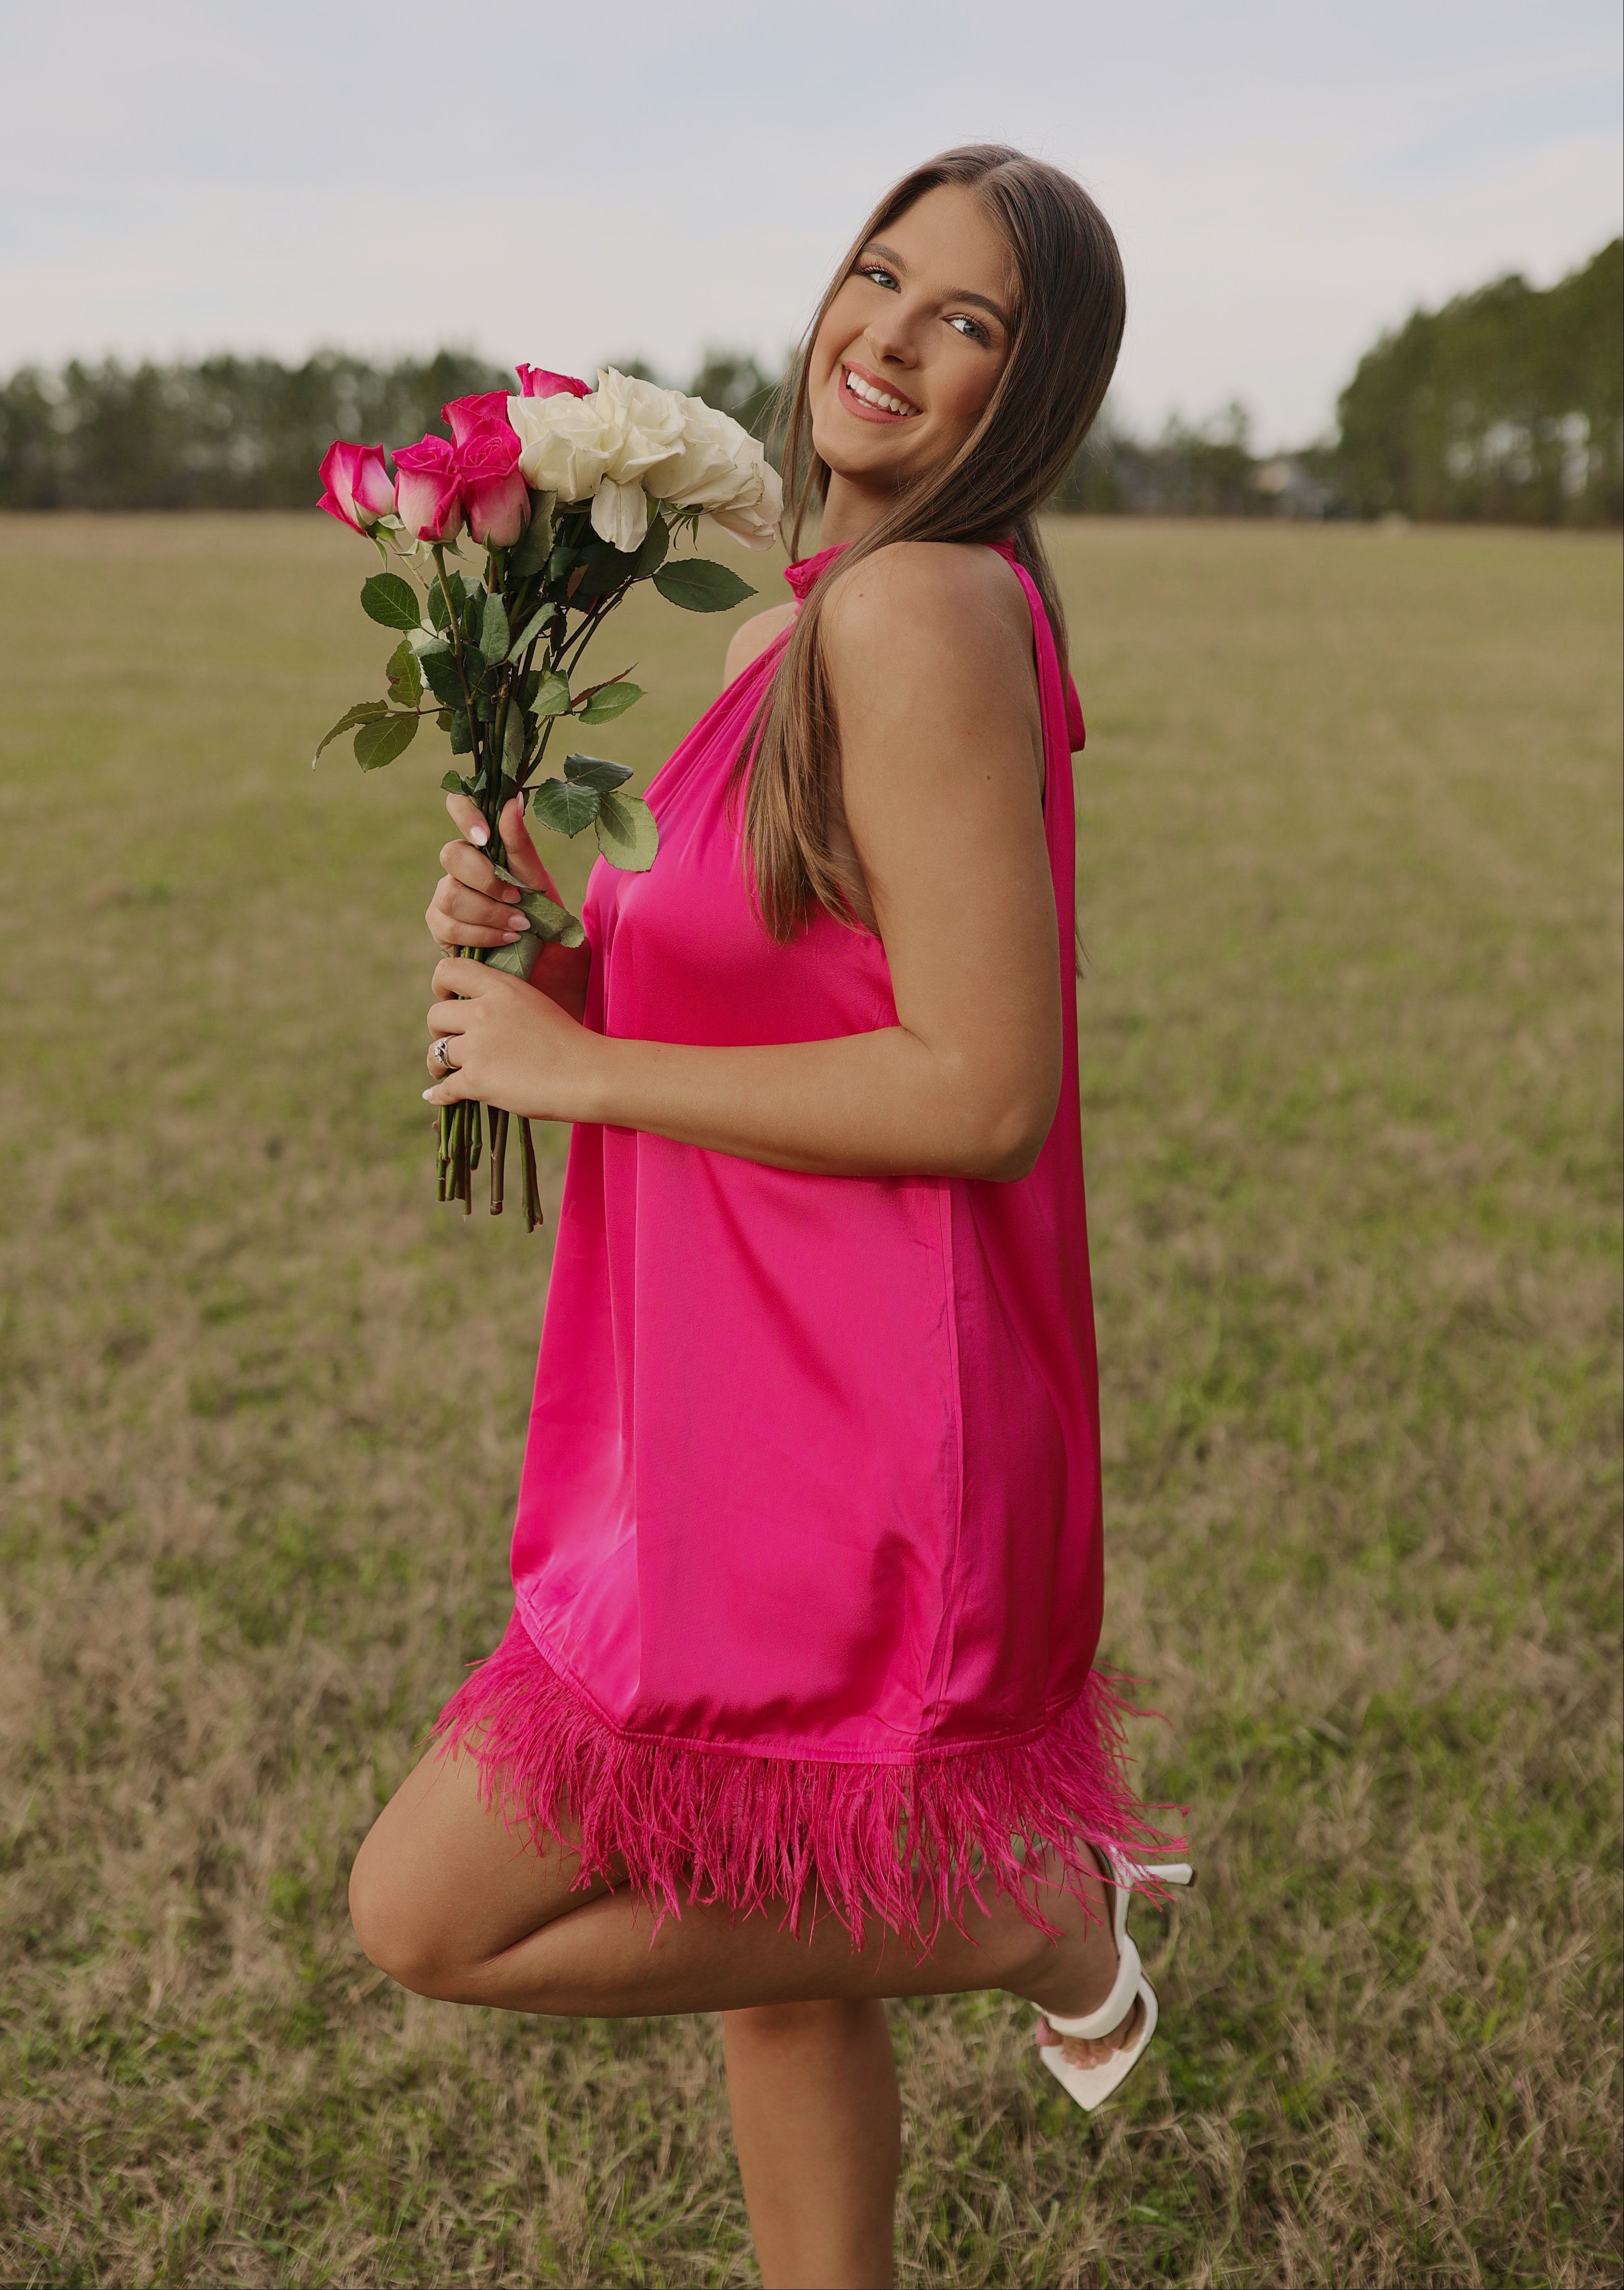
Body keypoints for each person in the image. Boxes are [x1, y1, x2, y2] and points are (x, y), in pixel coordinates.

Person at [348, 143, 1189, 2290]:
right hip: (734, 1382)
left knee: (425, 1911)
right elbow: (784, 978)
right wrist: (545, 942)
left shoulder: (920, 610)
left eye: (967, 318)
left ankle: (1016, 1909)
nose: (890, 336)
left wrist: (577, 1066)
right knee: (775, 1946)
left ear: (1037, 382)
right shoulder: (811, 614)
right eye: (880, 275)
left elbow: (983, 1089)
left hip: (847, 1416)